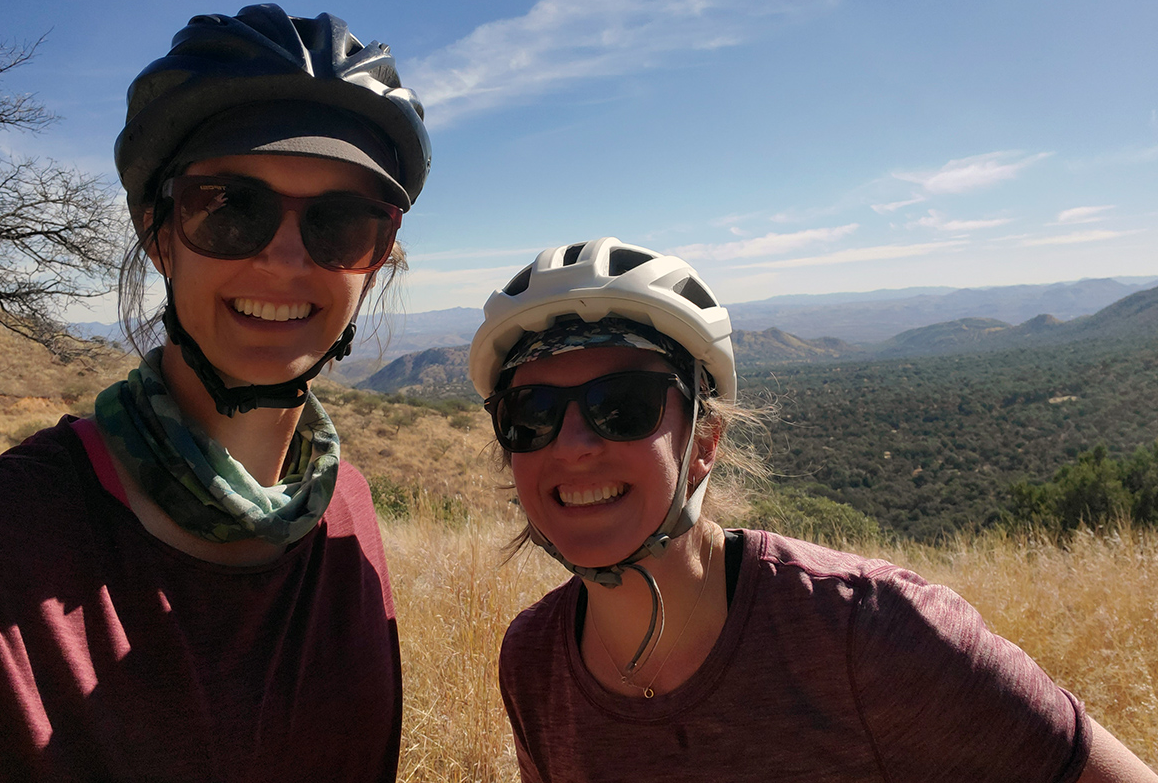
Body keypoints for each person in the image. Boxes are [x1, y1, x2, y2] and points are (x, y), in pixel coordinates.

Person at [467, 236, 1156, 783]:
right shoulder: (534, 660)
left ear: (704, 442)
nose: (575, 444)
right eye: (533, 414)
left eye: (623, 406)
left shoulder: (869, 629)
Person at [0, 5, 430, 782]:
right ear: (160, 234)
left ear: (374, 259)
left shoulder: (349, 514)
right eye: (230, 207)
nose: (284, 260)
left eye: (340, 223)